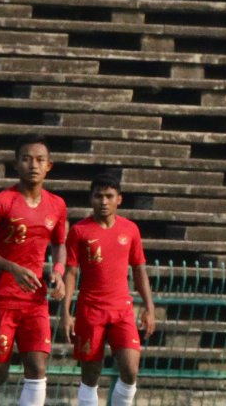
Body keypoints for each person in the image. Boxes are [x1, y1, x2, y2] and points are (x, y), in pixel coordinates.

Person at [0, 133, 67, 406]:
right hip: (1, 299)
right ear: (16, 164)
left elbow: (59, 244)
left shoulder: (57, 205)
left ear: (49, 166)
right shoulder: (1, 202)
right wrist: (13, 268)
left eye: (40, 159)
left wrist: (58, 270)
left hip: (35, 300)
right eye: (27, 159)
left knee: (37, 367)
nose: (33, 164)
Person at [59, 171, 155, 406]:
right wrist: (66, 312)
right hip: (90, 310)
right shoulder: (80, 231)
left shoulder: (130, 230)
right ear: (91, 199)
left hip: (122, 309)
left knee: (131, 370)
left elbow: (139, 270)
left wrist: (149, 308)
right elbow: (71, 273)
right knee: (91, 374)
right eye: (98, 196)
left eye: (109, 196)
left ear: (119, 199)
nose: (103, 201)